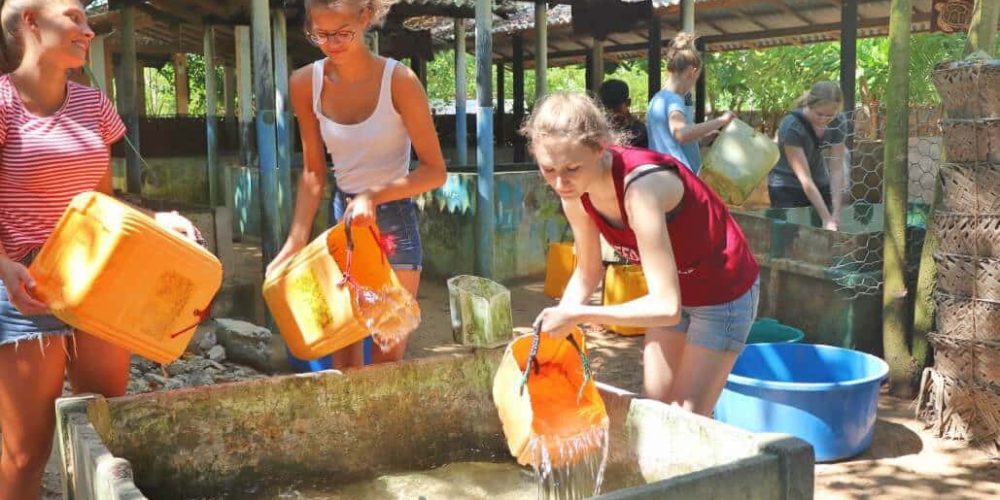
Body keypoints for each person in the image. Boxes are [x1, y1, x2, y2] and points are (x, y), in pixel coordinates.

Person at [0, 1, 198, 497]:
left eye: (87, 20)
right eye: (74, 17)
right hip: (29, 288)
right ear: (30, 21)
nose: (88, 30)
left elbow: (104, 205)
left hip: (105, 286)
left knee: (103, 442)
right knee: (25, 456)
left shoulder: (93, 104)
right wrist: (3, 268)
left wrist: (156, 222)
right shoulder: (2, 104)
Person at [523, 92, 759, 417]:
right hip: (675, 290)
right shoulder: (574, 194)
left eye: (573, 168)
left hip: (722, 291)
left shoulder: (641, 189)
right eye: (548, 169)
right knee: (656, 409)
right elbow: (588, 271)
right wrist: (558, 323)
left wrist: (580, 315)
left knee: (684, 419)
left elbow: (665, 307)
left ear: (601, 146)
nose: (560, 182)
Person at [266, 0, 446, 370]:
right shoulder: (305, 83)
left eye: (343, 32)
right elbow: (314, 173)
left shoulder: (400, 82)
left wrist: (372, 195)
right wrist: (293, 244)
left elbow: (434, 170)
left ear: (366, 18)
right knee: (343, 352)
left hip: (393, 221)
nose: (332, 42)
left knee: (386, 355)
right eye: (321, 34)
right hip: (343, 221)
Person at [647, 32, 736, 173]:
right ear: (691, 72)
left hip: (662, 175)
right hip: (680, 179)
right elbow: (681, 134)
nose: (693, 85)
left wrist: (702, 139)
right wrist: (721, 120)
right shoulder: (674, 100)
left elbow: (674, 141)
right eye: (696, 79)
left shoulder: (658, 99)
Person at [767, 81, 848, 231]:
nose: (824, 119)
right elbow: (805, 178)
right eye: (819, 114)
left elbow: (836, 169)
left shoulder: (839, 121)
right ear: (809, 105)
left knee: (822, 237)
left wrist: (835, 214)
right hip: (787, 185)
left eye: (829, 116)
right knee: (790, 237)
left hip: (819, 182)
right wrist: (826, 218)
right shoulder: (791, 126)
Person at [598, 79, 647, 148]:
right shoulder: (599, 130)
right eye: (607, 107)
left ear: (628, 103)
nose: (611, 111)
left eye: (615, 106)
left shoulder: (639, 131)